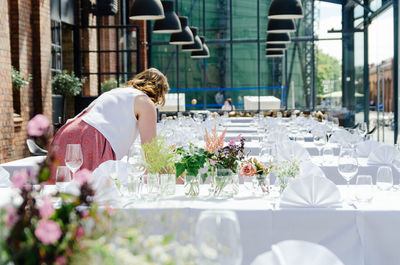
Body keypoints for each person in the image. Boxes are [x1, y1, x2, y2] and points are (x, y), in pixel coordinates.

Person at [51, 68, 170, 171]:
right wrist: (176, 178)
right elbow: (151, 152)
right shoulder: (145, 102)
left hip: (68, 131)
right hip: (92, 138)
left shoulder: (116, 92)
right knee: (91, 193)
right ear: (159, 94)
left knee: (61, 190)